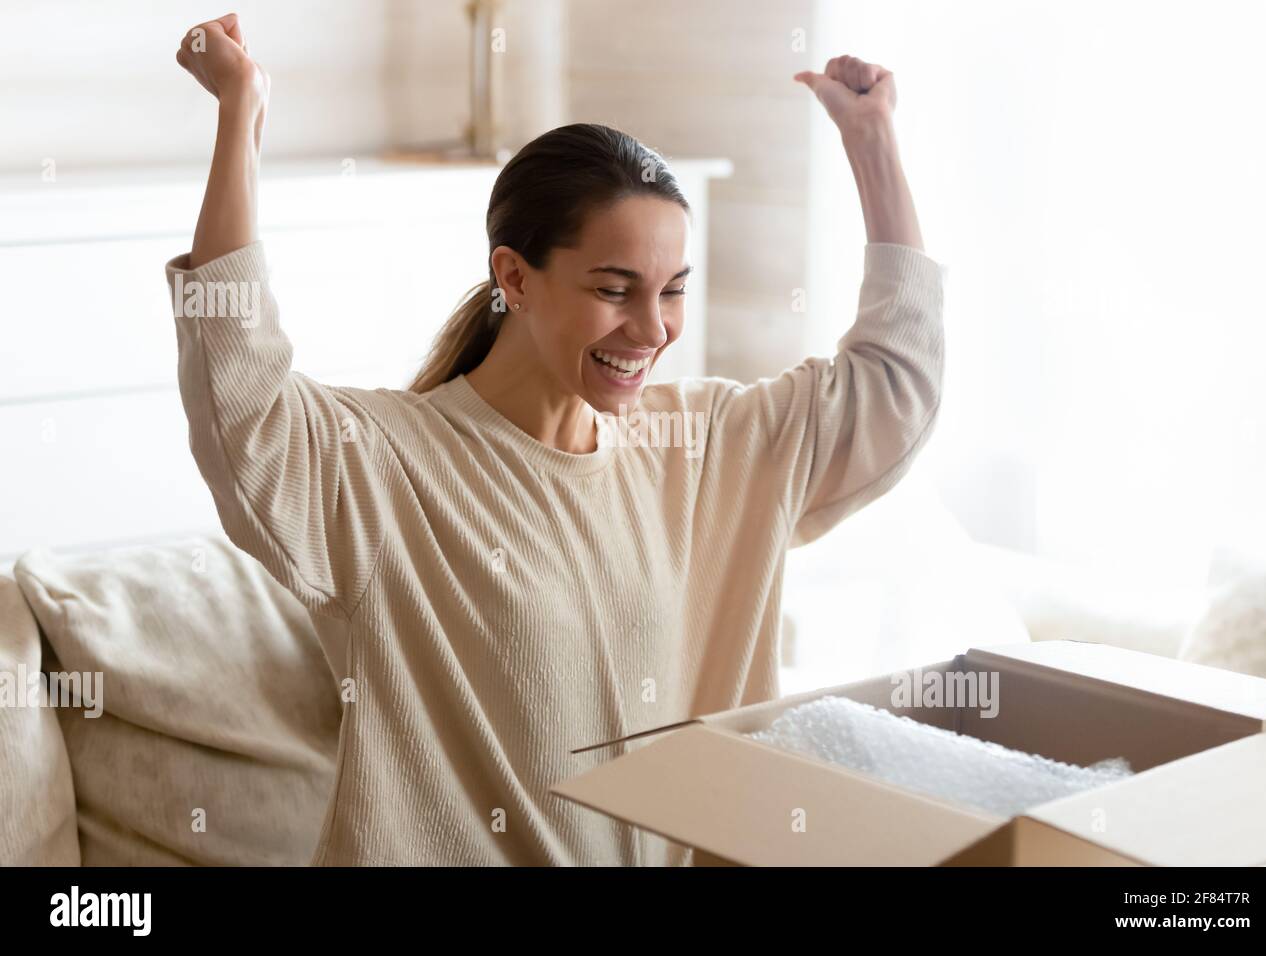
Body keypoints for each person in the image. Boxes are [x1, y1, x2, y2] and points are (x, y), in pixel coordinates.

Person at [169, 13, 945, 865]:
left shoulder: (707, 444)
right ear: (514, 277)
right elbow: (239, 392)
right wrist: (240, 113)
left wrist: (872, 144)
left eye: (673, 290)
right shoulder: (386, 464)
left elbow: (892, 387)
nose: (653, 329)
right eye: (616, 289)